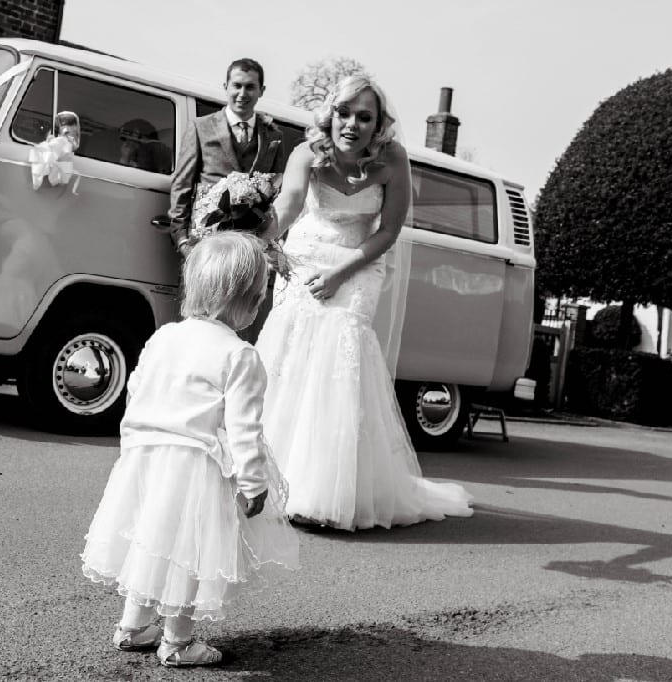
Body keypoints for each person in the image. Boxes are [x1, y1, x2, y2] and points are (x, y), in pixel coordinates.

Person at [255, 75, 474, 531]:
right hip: (307, 256)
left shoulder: (393, 160)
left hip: (360, 262)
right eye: (344, 112)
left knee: (341, 351)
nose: (352, 124)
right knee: (291, 357)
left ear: (378, 125)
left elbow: (388, 231)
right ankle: (269, 477)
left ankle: (326, 489)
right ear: (330, 113)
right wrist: (245, 236)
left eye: (364, 117)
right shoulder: (306, 154)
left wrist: (340, 273)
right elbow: (289, 207)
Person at [81, 231, 299, 667]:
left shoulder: (163, 338)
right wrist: (254, 483)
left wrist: (131, 449)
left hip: (146, 455)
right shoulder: (239, 354)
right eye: (258, 300)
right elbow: (244, 430)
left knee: (152, 543)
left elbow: (136, 393)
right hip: (195, 466)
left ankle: (133, 626)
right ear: (248, 300)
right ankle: (177, 643)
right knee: (187, 555)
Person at [166, 58, 288, 342]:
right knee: (198, 318)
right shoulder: (201, 127)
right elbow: (182, 186)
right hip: (205, 244)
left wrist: (269, 245)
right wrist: (183, 242)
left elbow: (276, 193)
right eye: (237, 85)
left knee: (241, 320)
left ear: (261, 90)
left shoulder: (273, 136)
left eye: (250, 87)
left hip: (249, 249)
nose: (242, 93)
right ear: (226, 86)